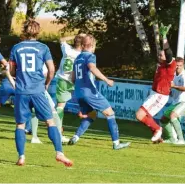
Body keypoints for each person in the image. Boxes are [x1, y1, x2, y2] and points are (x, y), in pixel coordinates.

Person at [9, 19, 72, 166]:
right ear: (38, 31)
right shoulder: (43, 47)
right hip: (38, 90)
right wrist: (47, 83)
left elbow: (11, 70)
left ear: (24, 31)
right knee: (50, 122)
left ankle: (21, 156)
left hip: (21, 91)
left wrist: (19, 75)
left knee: (20, 125)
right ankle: (59, 153)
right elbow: (51, 69)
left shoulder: (16, 48)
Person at [68, 34, 130, 150]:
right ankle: (116, 143)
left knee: (92, 115)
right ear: (92, 45)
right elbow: (92, 68)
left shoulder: (77, 58)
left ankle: (76, 137)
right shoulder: (90, 56)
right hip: (89, 91)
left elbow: (72, 78)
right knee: (110, 113)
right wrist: (106, 80)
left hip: (79, 92)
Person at [135, 23, 177, 142]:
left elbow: (168, 52)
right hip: (154, 93)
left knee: (139, 115)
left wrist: (164, 37)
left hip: (160, 95)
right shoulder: (161, 64)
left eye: (161, 54)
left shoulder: (170, 64)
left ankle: (158, 129)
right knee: (145, 116)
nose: (159, 54)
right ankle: (158, 136)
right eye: (159, 53)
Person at [55, 33, 85, 143]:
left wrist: (75, 35)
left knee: (60, 106)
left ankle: (58, 131)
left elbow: (61, 39)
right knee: (83, 102)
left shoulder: (67, 49)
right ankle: (58, 132)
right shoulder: (83, 55)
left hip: (63, 79)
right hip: (76, 81)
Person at [160, 58, 185, 144]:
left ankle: (181, 139)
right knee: (163, 119)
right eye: (177, 65)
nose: (178, 67)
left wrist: (174, 86)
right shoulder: (174, 75)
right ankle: (172, 139)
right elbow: (172, 90)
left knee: (173, 115)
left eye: (180, 65)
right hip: (176, 102)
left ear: (183, 66)